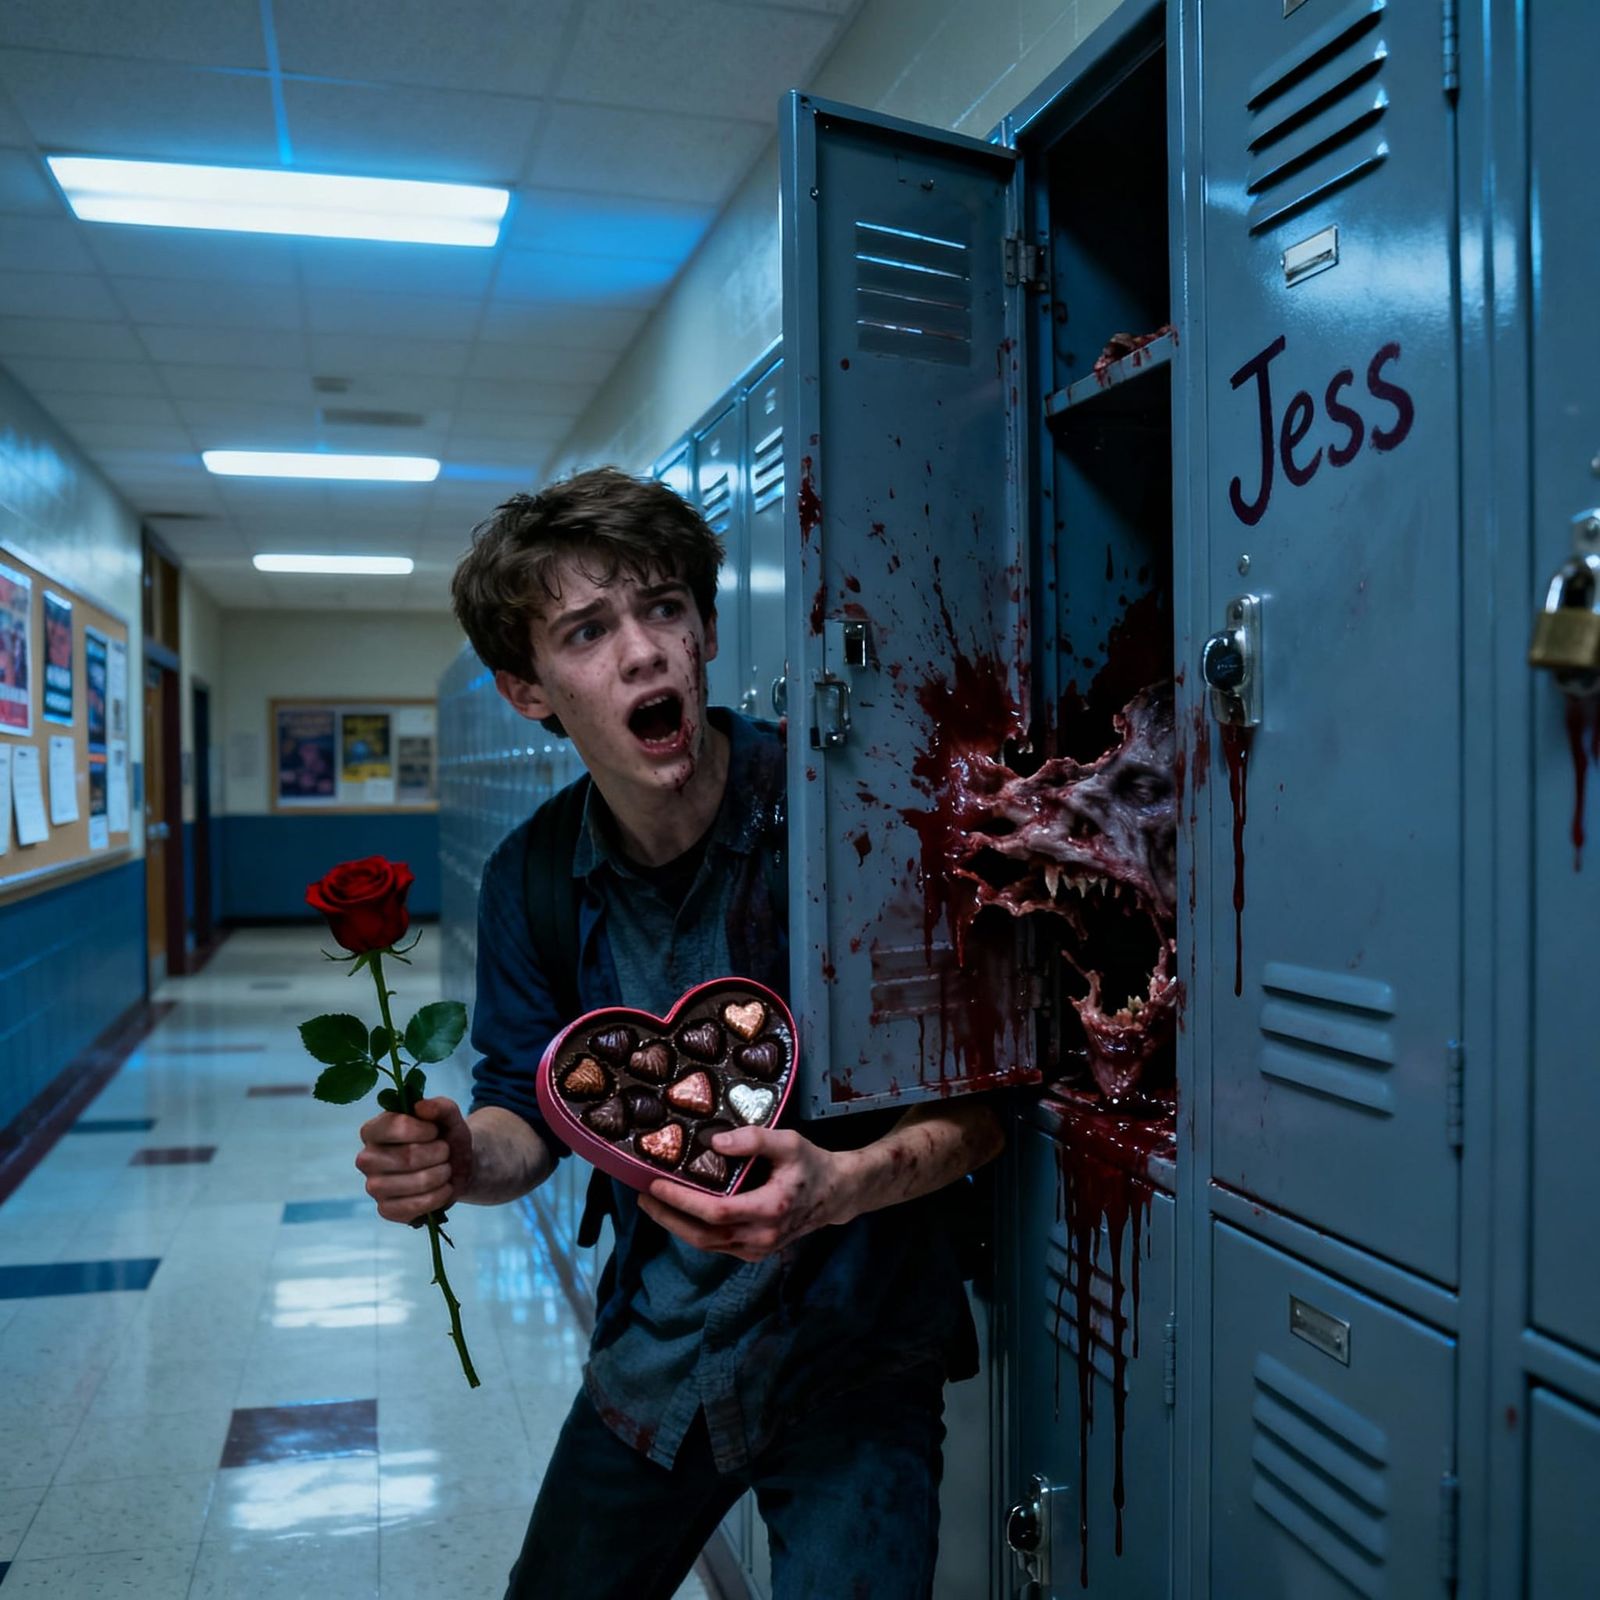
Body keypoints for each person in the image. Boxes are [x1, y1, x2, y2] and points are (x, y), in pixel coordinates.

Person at [355, 468, 1005, 1599]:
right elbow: (528, 1110)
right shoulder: (533, 881)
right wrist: (464, 1158)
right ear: (530, 693)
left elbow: (985, 1109)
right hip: (665, 1362)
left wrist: (840, 1183)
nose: (643, 653)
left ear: (705, 628)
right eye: (587, 631)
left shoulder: (848, 819)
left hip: (859, 1350)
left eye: (662, 608)